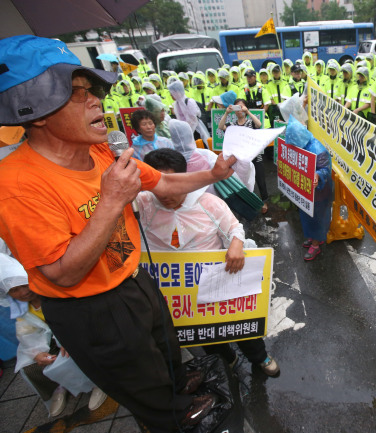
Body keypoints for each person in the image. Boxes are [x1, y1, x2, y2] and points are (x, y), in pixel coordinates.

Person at [0, 35, 238, 432]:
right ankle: (171, 417)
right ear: (36, 109)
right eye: (77, 94)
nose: (96, 100)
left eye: (93, 90)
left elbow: (161, 183)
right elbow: (63, 273)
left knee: (163, 348)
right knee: (138, 378)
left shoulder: (99, 152)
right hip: (91, 307)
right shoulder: (17, 184)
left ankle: (178, 387)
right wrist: (111, 201)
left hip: (133, 278)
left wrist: (211, 175)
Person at [136, 148, 280, 375]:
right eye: (156, 182)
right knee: (205, 333)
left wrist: (236, 244)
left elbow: (235, 228)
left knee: (238, 323)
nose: (163, 191)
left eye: (170, 182)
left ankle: (260, 357)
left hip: (217, 282)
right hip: (174, 291)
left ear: (184, 178)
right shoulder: (142, 205)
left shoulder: (208, 202)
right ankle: (226, 360)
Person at [0, 253, 107, 416]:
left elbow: (76, 317)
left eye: (24, 284)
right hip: (55, 341)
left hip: (78, 332)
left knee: (79, 349)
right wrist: (37, 353)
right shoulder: (23, 310)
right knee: (30, 367)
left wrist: (68, 338)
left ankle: (99, 382)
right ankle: (59, 386)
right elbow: (27, 334)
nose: (23, 293)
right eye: (14, 290)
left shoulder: (53, 294)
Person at [285, 115, 333, 261]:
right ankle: (314, 237)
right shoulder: (302, 144)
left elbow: (326, 169)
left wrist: (318, 175)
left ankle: (316, 245)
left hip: (320, 191)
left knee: (317, 217)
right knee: (307, 215)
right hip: (306, 190)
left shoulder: (317, 149)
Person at [218, 99, 268, 213]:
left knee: (260, 179)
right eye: (236, 108)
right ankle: (248, 202)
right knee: (244, 181)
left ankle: (264, 201)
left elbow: (259, 124)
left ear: (245, 108)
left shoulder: (250, 122)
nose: (239, 110)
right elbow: (221, 127)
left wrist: (249, 112)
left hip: (255, 156)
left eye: (241, 107)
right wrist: (226, 113)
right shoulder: (232, 125)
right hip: (240, 160)